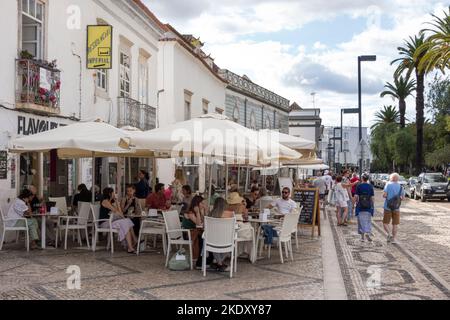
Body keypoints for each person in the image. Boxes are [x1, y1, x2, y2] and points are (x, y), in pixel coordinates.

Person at [100, 187, 137, 253]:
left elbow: (119, 212)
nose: (114, 194)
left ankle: (131, 244)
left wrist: (117, 202)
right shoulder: (105, 201)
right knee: (125, 222)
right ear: (110, 194)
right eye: (113, 192)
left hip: (111, 221)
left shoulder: (110, 202)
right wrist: (123, 217)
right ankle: (131, 245)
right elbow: (116, 212)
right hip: (105, 222)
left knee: (127, 221)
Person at [209, 197, 235, 272]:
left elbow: (205, 227)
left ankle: (216, 261)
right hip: (226, 240)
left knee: (214, 243)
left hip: (212, 241)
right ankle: (220, 264)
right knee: (231, 243)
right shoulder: (230, 214)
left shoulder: (210, 214)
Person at [181, 195, 206, 267]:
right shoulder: (190, 213)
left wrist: (203, 211)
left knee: (202, 236)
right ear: (197, 204)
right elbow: (198, 223)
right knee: (201, 238)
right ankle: (199, 259)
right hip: (187, 233)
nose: (203, 205)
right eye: (202, 203)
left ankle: (203, 258)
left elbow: (203, 222)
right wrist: (198, 212)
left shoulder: (197, 211)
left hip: (193, 231)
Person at [382, 173, 405, 244]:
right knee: (395, 224)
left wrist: (389, 196)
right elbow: (403, 198)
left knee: (385, 223)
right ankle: (393, 239)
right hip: (396, 208)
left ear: (391, 178)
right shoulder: (401, 187)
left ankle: (389, 234)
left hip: (387, 207)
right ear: (397, 179)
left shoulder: (388, 185)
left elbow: (384, 195)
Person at [355, 174, 375, 242]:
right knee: (368, 221)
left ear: (362, 178)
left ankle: (362, 237)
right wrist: (372, 205)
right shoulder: (370, 186)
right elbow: (372, 197)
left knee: (360, 221)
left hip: (360, 206)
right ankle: (368, 233)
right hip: (368, 206)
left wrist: (355, 203)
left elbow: (356, 197)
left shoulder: (359, 186)